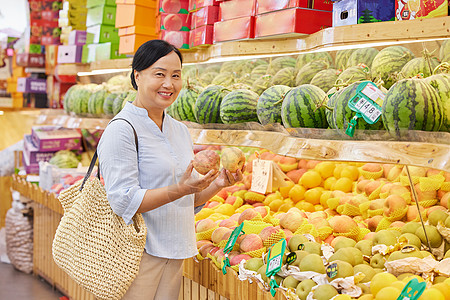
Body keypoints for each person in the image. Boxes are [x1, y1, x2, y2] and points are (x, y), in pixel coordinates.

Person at [97, 39, 243, 300]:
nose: (169, 84)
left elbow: (189, 198)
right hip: (137, 254)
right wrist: (178, 190)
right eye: (160, 74)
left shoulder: (180, 130)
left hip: (175, 251)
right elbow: (123, 200)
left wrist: (218, 183)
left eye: (176, 75)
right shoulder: (122, 129)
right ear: (137, 76)